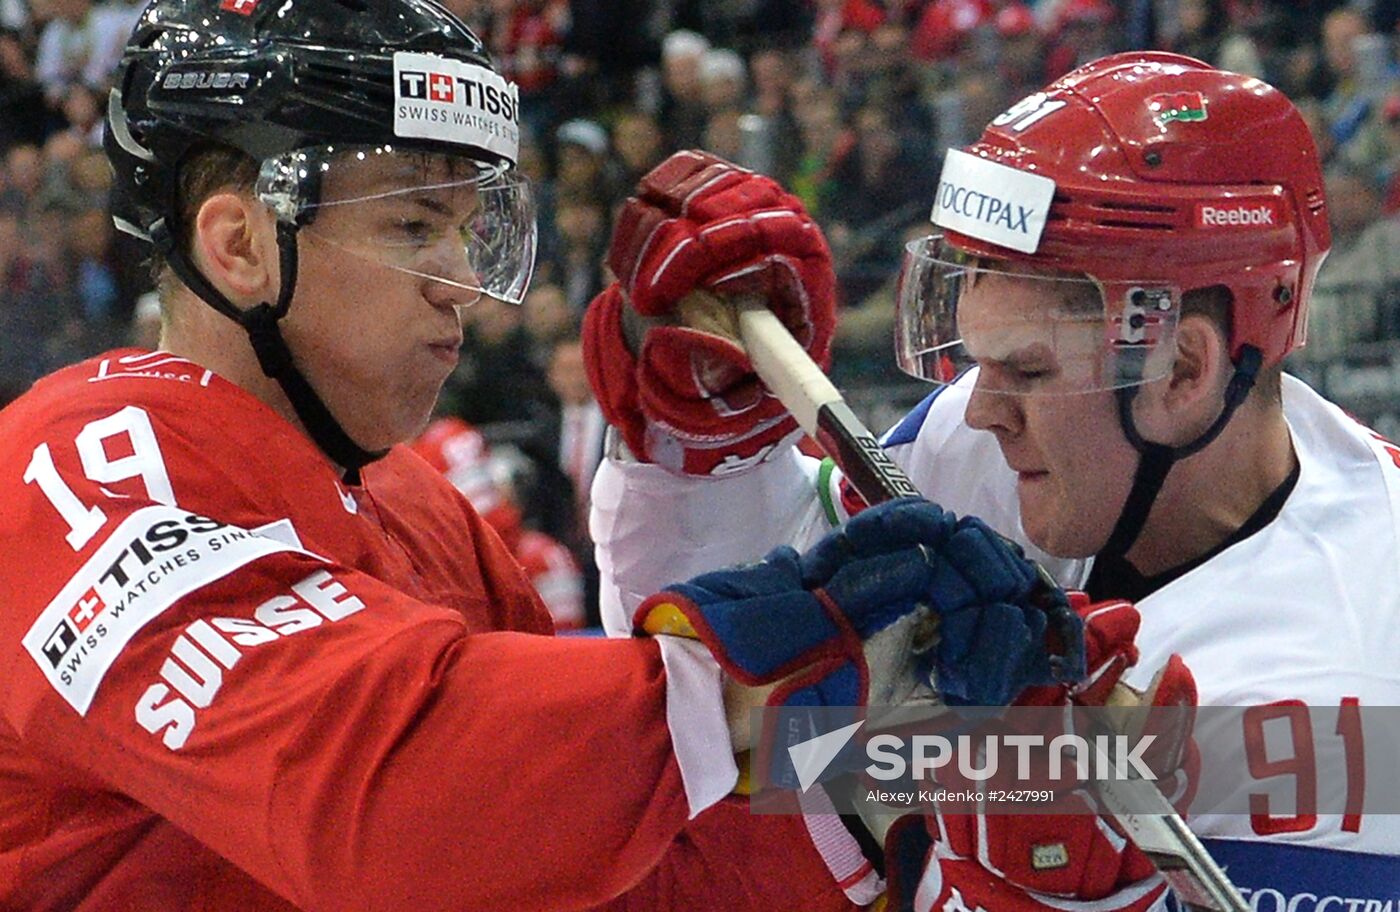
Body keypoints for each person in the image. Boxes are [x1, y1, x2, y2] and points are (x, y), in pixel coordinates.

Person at [0, 0, 1078, 909]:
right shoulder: (78, 470)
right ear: (238, 245)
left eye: (474, 231)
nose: (458, 279)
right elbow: (390, 805)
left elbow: (600, 869)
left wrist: (866, 777)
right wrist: (744, 678)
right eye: (415, 224)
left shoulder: (413, 505)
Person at [585, 52, 1400, 911]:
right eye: (977, 362)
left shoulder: (1363, 659)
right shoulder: (982, 450)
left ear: (1184, 366)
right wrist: (704, 457)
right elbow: (714, 701)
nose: (979, 413)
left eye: (1030, 371)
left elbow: (809, 772)